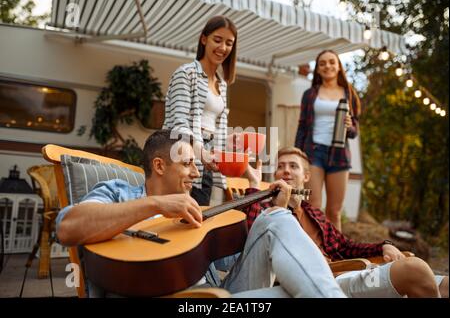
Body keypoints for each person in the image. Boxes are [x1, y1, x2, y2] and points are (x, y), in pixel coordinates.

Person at [55, 130, 346, 298]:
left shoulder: (198, 213)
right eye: (188, 164)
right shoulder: (120, 193)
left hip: (217, 295)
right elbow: (69, 228)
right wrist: (156, 205)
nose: (197, 173)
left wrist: (268, 199)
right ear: (159, 166)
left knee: (276, 224)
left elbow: (248, 253)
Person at [241, 146, 448, 298]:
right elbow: (251, 239)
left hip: (349, 273)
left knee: (445, 284)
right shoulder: (271, 213)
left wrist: (385, 244)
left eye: (293, 166)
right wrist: (254, 185)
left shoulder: (314, 213)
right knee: (416, 270)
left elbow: (347, 245)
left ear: (306, 176)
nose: (285, 170)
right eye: (280, 167)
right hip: (325, 282)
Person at [162, 15, 238, 206]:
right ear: (204, 39)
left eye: (229, 43)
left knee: (199, 214)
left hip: (208, 157)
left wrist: (230, 143)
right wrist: (200, 152)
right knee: (176, 215)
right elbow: (179, 122)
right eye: (217, 40)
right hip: (182, 154)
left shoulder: (222, 84)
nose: (223, 48)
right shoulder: (186, 73)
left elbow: (213, 126)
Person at [295, 50, 361, 231]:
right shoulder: (310, 94)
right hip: (313, 152)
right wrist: (297, 155)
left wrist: (350, 126)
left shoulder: (349, 94)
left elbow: (354, 131)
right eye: (322, 63)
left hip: (339, 155)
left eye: (332, 62)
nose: (327, 66)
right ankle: (313, 253)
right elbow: (302, 126)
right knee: (313, 207)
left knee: (334, 211)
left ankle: (336, 256)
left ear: (339, 66)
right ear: (318, 69)